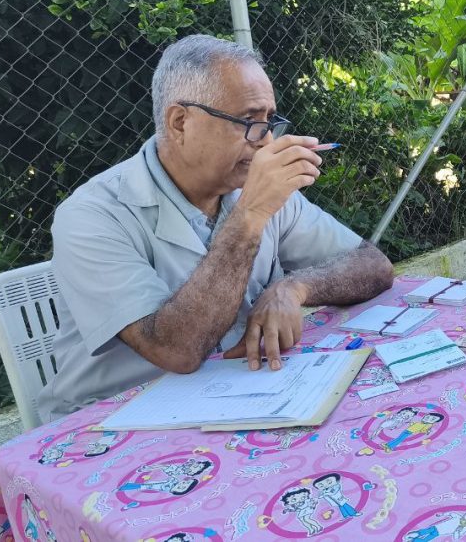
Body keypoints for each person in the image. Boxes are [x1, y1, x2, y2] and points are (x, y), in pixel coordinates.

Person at [37, 35, 394, 421]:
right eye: (249, 121)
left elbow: (373, 265)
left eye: (269, 121)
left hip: (236, 396)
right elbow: (177, 351)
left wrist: (293, 288)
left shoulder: (251, 188)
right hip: (113, 423)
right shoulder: (93, 215)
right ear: (180, 122)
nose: (267, 140)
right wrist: (251, 213)